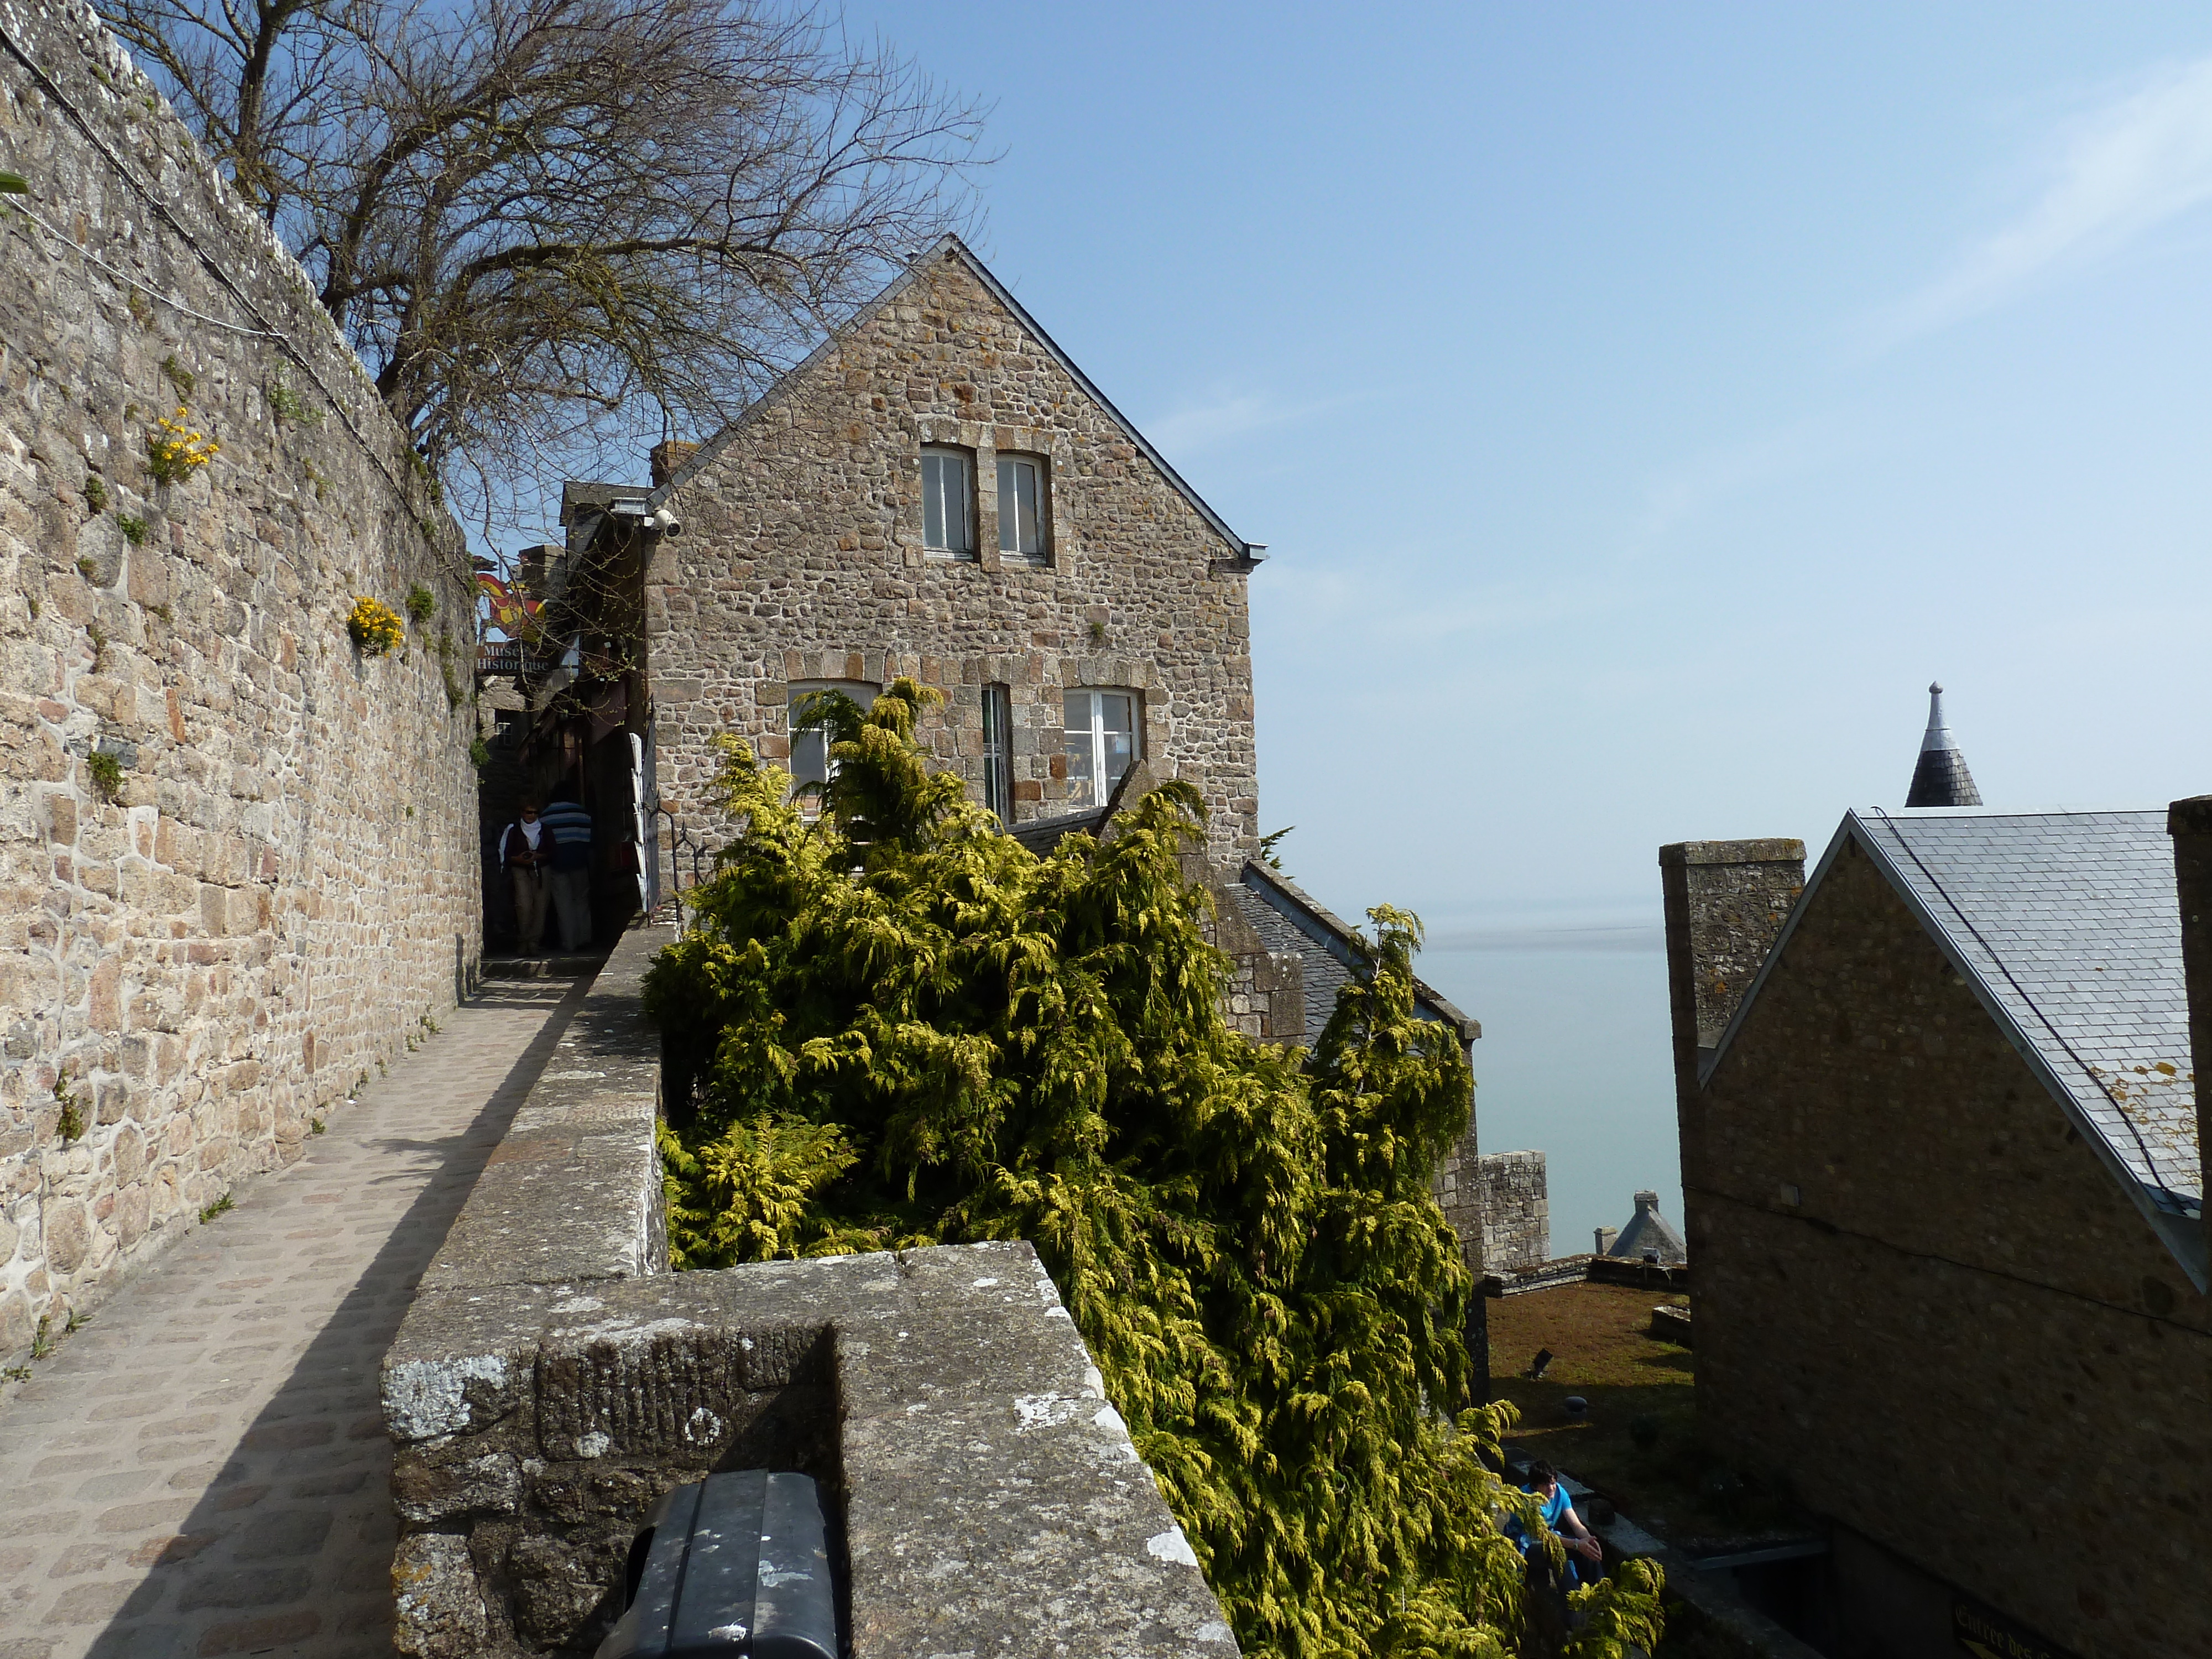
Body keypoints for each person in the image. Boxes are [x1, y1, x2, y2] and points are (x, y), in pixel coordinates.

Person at [1509, 1459, 1604, 1592]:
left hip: (1550, 1539)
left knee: (1588, 1551)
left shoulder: (1560, 1493)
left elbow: (1576, 1524)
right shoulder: (1527, 1500)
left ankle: (1600, 1591)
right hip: (1524, 1544)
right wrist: (1576, 1544)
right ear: (1535, 1486)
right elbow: (1543, 1535)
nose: (1551, 1488)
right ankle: (1573, 1597)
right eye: (1545, 1484)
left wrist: (1589, 1540)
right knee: (1557, 1553)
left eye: (1553, 1483)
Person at [539, 786, 594, 953]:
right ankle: (585, 939)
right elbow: (590, 842)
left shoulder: (545, 816)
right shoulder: (582, 814)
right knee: (582, 901)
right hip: (580, 862)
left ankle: (569, 943)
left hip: (556, 864)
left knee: (563, 905)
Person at [499, 800, 550, 954]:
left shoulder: (545, 830)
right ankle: (523, 940)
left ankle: (534, 942)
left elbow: (552, 851)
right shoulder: (514, 830)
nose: (532, 816)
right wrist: (520, 859)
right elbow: (506, 853)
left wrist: (537, 856)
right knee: (523, 906)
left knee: (540, 907)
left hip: (541, 870)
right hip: (520, 870)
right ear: (522, 813)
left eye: (535, 812)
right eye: (529, 812)